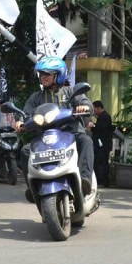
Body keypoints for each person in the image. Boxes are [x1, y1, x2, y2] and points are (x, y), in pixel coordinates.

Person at [13, 56, 95, 197]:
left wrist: (84, 107)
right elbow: (25, 114)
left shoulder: (70, 91)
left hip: (71, 134)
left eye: (47, 74)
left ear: (59, 75)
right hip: (45, 138)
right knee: (26, 150)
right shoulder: (36, 97)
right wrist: (20, 121)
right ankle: (32, 187)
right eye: (42, 74)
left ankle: (84, 180)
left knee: (86, 141)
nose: (43, 77)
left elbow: (86, 103)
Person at [89, 100, 113, 188]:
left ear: (99, 108)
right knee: (98, 161)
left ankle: (103, 181)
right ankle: (99, 180)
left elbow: (101, 128)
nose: (94, 112)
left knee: (102, 162)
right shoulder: (101, 117)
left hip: (103, 144)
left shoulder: (105, 117)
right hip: (100, 144)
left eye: (94, 109)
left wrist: (93, 126)